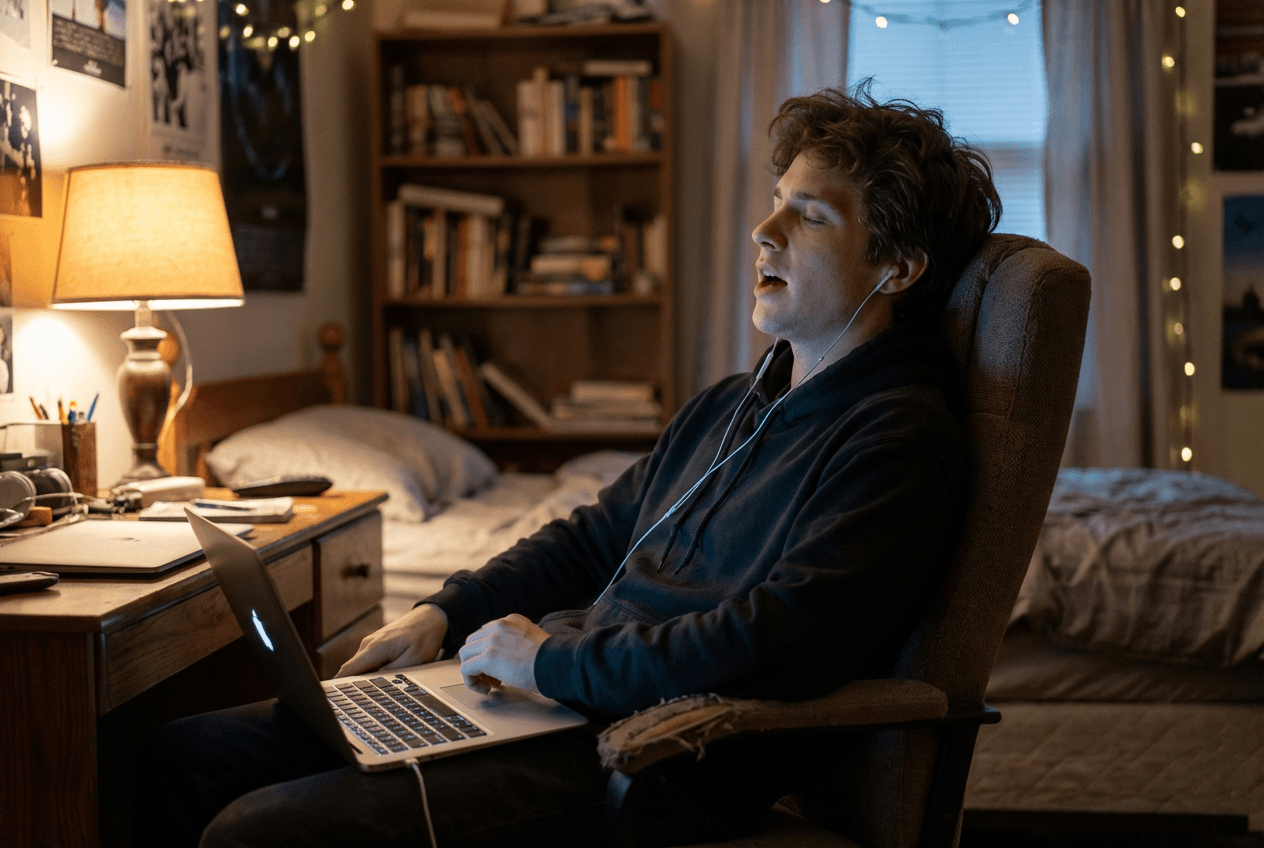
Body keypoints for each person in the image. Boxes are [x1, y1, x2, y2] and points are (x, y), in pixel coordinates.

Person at [136, 82, 1000, 848]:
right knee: (184, 755)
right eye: (777, 201)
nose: (762, 231)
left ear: (898, 267)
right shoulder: (733, 403)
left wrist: (544, 663)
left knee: (258, 829)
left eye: (809, 216)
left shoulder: (898, 440)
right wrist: (445, 612)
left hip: (653, 762)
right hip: (549, 706)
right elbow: (594, 536)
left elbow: (776, 643)